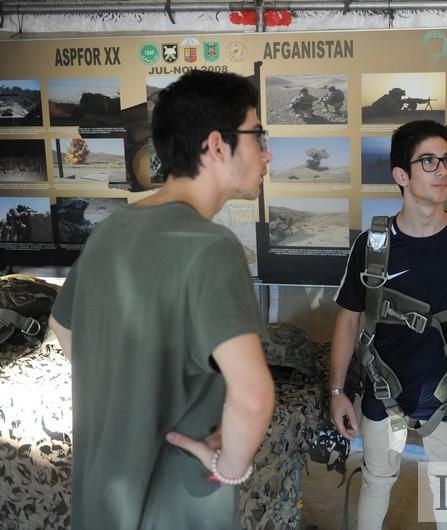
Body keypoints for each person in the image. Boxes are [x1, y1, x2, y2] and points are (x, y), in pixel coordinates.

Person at [48, 70, 276, 530]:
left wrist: (131, 393)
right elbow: (252, 397)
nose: (266, 153)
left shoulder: (112, 230)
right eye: (257, 135)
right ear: (216, 145)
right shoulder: (211, 247)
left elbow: (63, 326)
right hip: (177, 501)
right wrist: (231, 467)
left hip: (102, 499)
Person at [329, 119, 447, 529]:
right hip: (384, 391)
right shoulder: (373, 246)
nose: (442, 170)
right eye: (428, 161)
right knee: (376, 481)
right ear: (400, 175)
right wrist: (337, 390)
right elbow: (348, 317)